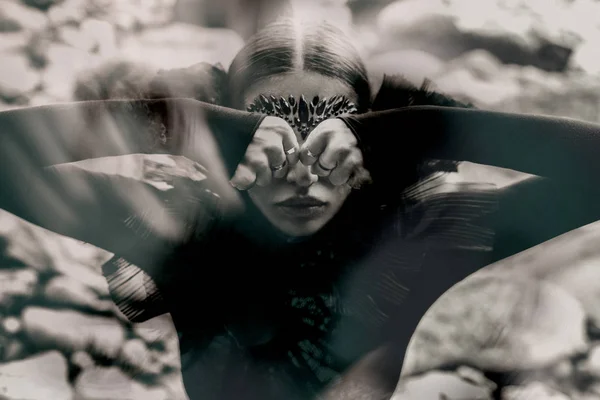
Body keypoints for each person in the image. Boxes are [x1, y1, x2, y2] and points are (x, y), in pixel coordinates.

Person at [2, 18, 600, 400]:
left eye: (332, 135)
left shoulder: (416, 241)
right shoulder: (178, 233)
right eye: (270, 138)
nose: (301, 171)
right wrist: (195, 125)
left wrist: (413, 130)